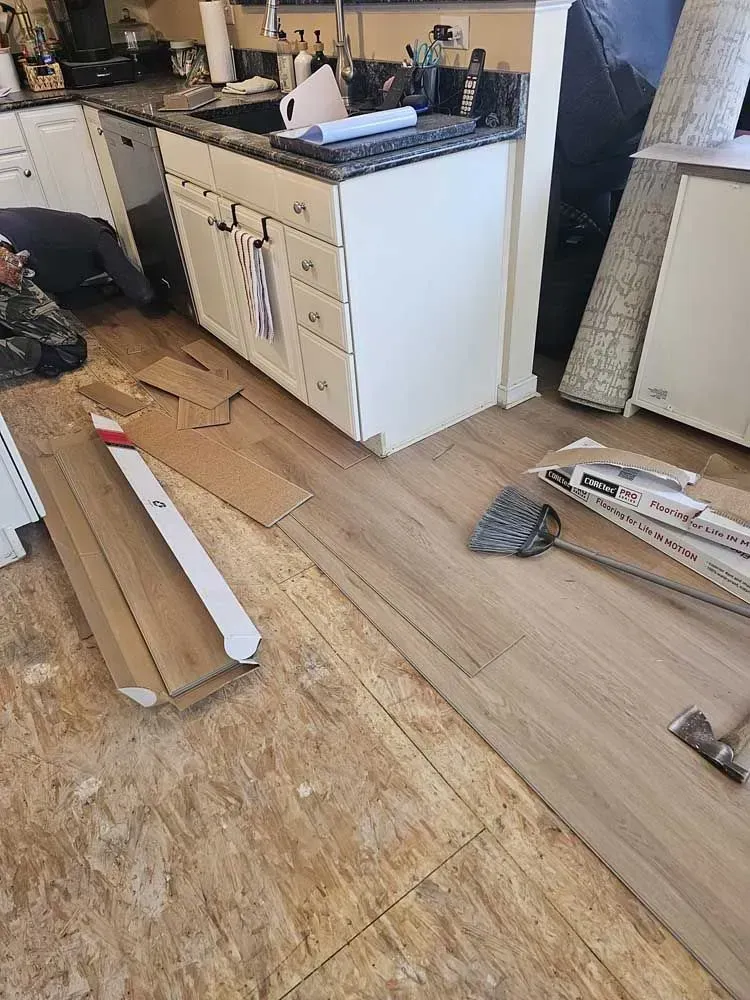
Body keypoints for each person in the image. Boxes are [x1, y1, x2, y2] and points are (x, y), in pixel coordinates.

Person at [0, 206, 156, 307]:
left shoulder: (68, 223)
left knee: (62, 299)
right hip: (15, 249)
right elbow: (142, 293)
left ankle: (109, 290)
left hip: (20, 246)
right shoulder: (99, 235)